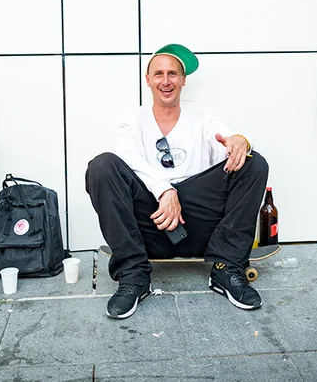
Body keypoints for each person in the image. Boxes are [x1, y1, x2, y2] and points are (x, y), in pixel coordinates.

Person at [86, 44, 269, 319]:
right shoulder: (132, 119)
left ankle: (227, 269)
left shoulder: (202, 116)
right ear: (147, 80)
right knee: (102, 165)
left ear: (183, 80)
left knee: (253, 162)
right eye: (158, 73)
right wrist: (164, 189)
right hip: (151, 223)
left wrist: (240, 141)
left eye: (173, 74)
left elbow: (226, 135)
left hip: (201, 224)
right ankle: (133, 275)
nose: (166, 80)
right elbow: (127, 155)